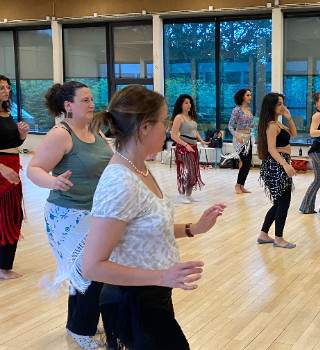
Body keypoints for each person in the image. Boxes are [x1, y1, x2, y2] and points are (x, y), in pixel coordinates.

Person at [81, 85, 225, 349]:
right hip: (132, 300)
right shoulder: (120, 181)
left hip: (151, 294)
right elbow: (92, 266)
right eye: (163, 121)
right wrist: (161, 276)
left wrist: (195, 228)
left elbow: (145, 229)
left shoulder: (139, 168)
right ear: (144, 127)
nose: (167, 128)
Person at [27, 81, 112, 349]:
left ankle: (78, 323)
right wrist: (53, 182)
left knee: (88, 273)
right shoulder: (60, 134)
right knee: (92, 272)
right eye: (85, 100)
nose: (91, 104)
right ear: (68, 106)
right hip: (67, 215)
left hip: (95, 213)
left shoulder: (95, 131)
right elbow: (34, 168)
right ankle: (80, 330)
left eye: (91, 100)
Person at [257, 93, 297, 249]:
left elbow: (293, 134)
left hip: (279, 164)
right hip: (276, 166)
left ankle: (263, 234)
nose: (283, 106)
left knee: (279, 203)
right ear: (271, 106)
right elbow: (272, 149)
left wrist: (289, 117)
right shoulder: (271, 126)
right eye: (279, 104)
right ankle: (278, 238)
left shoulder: (277, 124)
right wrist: (285, 165)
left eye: (283, 103)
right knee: (283, 203)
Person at [0, 75, 28, 280]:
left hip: (12, 167)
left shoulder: (6, 113)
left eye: (7, 87)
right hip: (2, 169)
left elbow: (13, 144)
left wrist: (21, 135)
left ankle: (4, 265)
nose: (5, 90)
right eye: (1, 87)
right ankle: (2, 267)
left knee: (13, 217)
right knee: (4, 218)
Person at [170, 94, 206, 203]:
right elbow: (173, 135)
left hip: (193, 148)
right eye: (186, 102)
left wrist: (201, 140)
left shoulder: (191, 117)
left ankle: (188, 195)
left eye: (190, 102)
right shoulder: (178, 117)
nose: (189, 104)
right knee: (186, 172)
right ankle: (182, 195)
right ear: (180, 104)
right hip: (183, 148)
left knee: (193, 172)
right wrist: (186, 145)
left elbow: (194, 131)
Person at [228, 88, 254, 194]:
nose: (250, 97)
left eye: (250, 95)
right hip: (240, 138)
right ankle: (237, 185)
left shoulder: (249, 110)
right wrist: (236, 135)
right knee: (245, 162)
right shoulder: (236, 110)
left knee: (248, 164)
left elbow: (251, 125)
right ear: (242, 96)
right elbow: (230, 126)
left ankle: (242, 185)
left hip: (248, 137)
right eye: (248, 95)